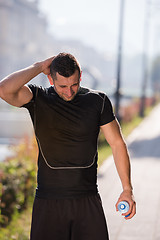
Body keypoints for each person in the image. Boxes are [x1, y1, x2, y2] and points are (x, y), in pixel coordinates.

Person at [0, 53, 136, 240]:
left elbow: (117, 143)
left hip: (87, 199)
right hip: (48, 202)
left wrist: (127, 189)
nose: (69, 92)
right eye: (62, 86)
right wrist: (39, 66)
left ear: (80, 76)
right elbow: (4, 89)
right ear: (50, 79)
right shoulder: (38, 97)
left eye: (74, 84)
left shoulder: (98, 101)